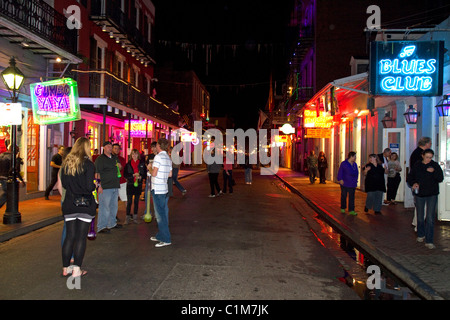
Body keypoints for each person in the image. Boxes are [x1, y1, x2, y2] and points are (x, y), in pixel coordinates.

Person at [60, 137, 97, 278]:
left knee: (70, 236)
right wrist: (94, 185)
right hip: (84, 204)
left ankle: (65, 268)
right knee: (81, 237)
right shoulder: (88, 164)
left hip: (69, 203)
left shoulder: (67, 164)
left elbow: (64, 184)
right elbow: (89, 186)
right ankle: (77, 270)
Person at [407, 149, 443, 249]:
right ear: (423, 156)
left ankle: (429, 240)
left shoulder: (434, 165)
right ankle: (420, 234)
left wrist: (434, 171)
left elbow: (440, 178)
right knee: (420, 216)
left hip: (432, 194)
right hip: (420, 194)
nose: (428, 159)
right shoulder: (417, 165)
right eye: (427, 157)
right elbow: (410, 177)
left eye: (430, 157)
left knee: (430, 217)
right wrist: (413, 183)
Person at [95, 141, 123, 233]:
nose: (110, 148)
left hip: (115, 185)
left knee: (113, 206)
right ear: (103, 148)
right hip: (105, 186)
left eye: (111, 146)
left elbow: (120, 167)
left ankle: (111, 223)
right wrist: (99, 185)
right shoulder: (100, 159)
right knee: (104, 207)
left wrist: (120, 166)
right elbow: (97, 173)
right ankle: (101, 226)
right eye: (108, 146)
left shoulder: (115, 157)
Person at [149, 138, 173, 248]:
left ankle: (166, 238)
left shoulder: (158, 157)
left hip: (157, 189)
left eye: (157, 144)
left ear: (159, 146)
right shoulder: (168, 158)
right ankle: (160, 235)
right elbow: (170, 175)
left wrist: (149, 168)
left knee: (160, 216)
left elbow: (154, 173)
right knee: (162, 213)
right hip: (164, 188)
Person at [409, 137, 432, 231]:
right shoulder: (419, 154)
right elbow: (417, 170)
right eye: (430, 143)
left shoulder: (415, 152)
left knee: (419, 204)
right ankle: (419, 224)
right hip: (419, 183)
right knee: (422, 205)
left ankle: (416, 222)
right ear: (426, 144)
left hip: (417, 181)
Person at [124, 149, 146, 224]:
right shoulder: (128, 164)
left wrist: (141, 177)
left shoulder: (142, 164)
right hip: (130, 184)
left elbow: (145, 174)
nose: (134, 156)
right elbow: (125, 174)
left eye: (136, 154)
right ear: (131, 155)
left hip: (138, 185)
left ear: (138, 155)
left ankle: (135, 218)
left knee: (136, 201)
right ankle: (127, 218)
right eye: (133, 154)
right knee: (129, 201)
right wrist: (132, 175)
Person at [0, 144, 25, 208]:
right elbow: (15, 170)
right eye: (17, 151)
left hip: (1, 177)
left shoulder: (1, 155)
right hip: (6, 177)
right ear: (15, 151)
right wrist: (21, 180)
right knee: (7, 194)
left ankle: (8, 209)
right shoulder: (13, 158)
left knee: (7, 193)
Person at [337, 151, 359, 216]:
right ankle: (343, 207)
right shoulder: (344, 163)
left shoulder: (355, 164)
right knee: (344, 195)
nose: (355, 158)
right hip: (345, 182)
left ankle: (351, 210)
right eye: (354, 156)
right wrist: (340, 179)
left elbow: (357, 173)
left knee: (352, 196)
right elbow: (340, 171)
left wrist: (356, 180)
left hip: (352, 183)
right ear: (351, 156)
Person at [143, 142, 158, 219]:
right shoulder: (150, 156)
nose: (152, 149)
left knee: (155, 197)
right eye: (151, 147)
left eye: (154, 147)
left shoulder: (159, 156)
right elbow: (146, 165)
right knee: (147, 195)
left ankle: (157, 213)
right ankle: (147, 212)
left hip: (157, 179)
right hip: (149, 178)